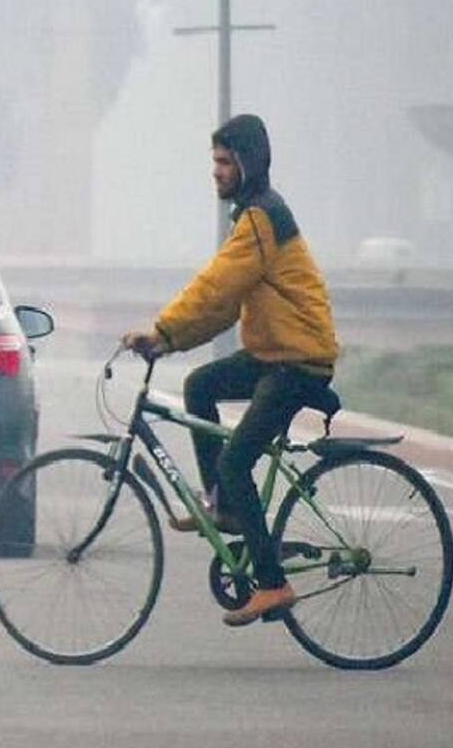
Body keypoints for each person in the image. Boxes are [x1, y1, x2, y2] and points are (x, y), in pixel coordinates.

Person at [122, 113, 340, 628]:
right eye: (214, 161)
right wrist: (169, 342)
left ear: (248, 163)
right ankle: (224, 508)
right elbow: (224, 306)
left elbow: (215, 285)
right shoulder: (253, 218)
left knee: (235, 462)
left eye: (224, 161)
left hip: (297, 361)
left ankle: (273, 584)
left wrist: (163, 329)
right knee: (200, 385)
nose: (216, 171)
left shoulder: (263, 218)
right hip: (274, 354)